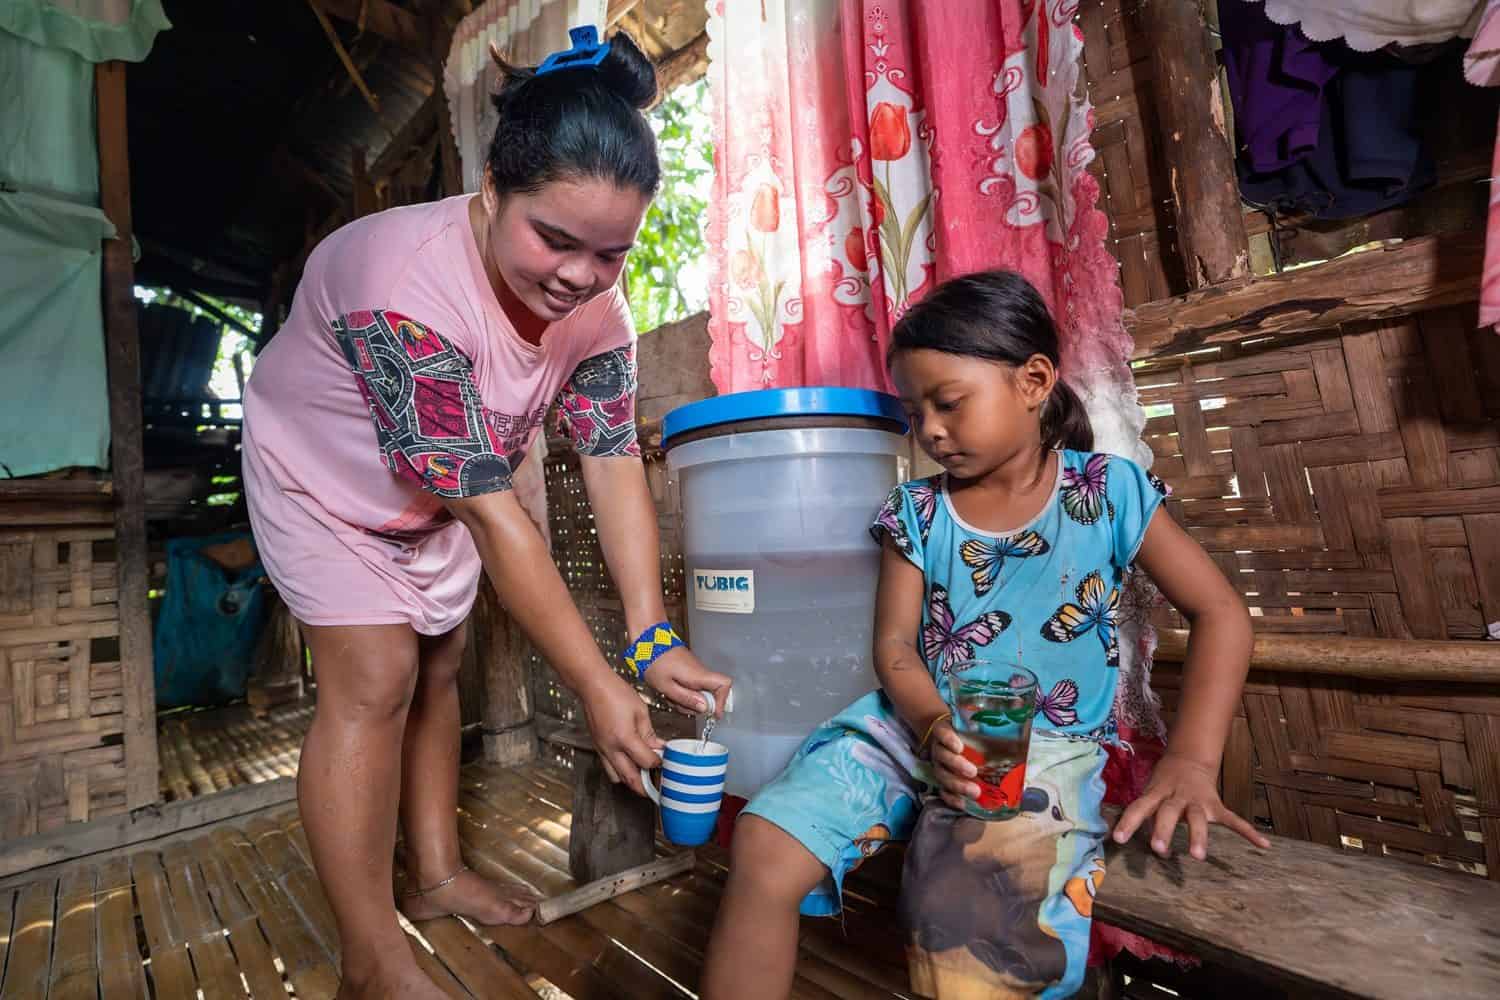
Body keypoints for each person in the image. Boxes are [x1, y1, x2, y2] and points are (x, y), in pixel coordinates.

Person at [242, 30, 730, 1000]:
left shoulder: (600, 306)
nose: (582, 276)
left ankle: (435, 876)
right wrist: (595, 683)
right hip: (319, 478)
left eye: (613, 253)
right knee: (374, 673)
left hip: (433, 494)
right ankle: (371, 958)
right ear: (494, 190)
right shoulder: (404, 286)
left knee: (439, 663)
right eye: (555, 238)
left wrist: (649, 635)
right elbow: (501, 519)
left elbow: (608, 457)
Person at [700, 270, 1268, 999]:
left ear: (1033, 380)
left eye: (949, 402)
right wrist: (933, 722)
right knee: (763, 845)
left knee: (970, 929)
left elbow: (1222, 614)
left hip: (1039, 749)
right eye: (915, 410)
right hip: (909, 728)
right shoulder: (917, 513)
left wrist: (1191, 761)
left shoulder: (1107, 492)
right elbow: (896, 649)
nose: (930, 428)